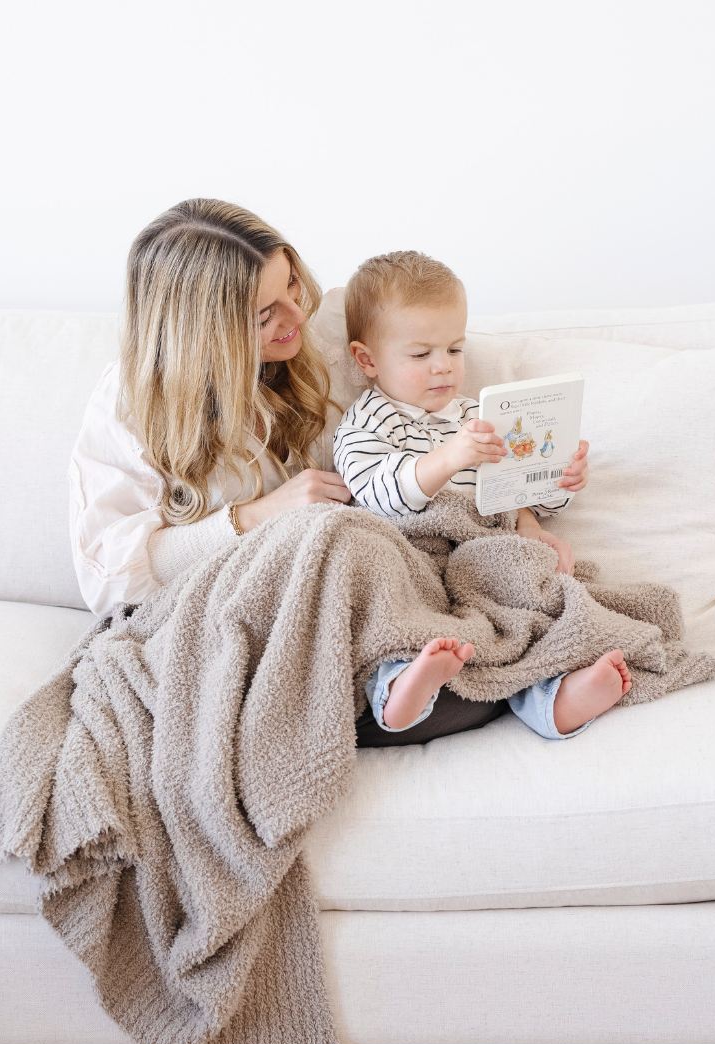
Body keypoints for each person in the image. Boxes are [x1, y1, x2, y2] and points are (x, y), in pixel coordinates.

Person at [67, 198, 552, 748]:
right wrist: (256, 519)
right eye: (263, 314)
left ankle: (441, 681)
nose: (297, 317)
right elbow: (108, 579)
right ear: (202, 332)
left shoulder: (335, 334)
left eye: (292, 285)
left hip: (379, 585)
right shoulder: (131, 403)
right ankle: (410, 691)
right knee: (334, 539)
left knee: (479, 589)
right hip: (258, 610)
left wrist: (526, 512)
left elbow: (438, 437)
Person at [333, 251, 631, 739]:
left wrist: (557, 483)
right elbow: (380, 495)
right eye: (421, 354)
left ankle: (554, 697)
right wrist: (450, 457)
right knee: (390, 619)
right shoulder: (364, 424)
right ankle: (400, 691)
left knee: (531, 607)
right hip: (410, 558)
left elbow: (515, 495)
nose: (443, 368)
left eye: (454, 350)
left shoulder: (479, 414)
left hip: (481, 556)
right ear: (367, 359)